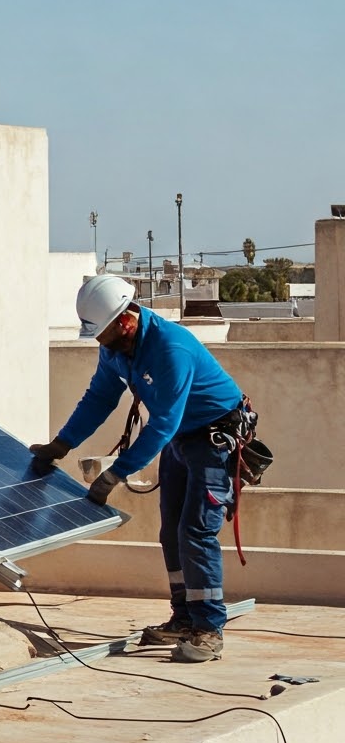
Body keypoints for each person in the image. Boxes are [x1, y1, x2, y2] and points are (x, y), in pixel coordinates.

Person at [30, 273, 248, 663]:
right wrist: (61, 444)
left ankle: (208, 629)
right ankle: (183, 618)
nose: (100, 343)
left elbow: (162, 422)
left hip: (213, 441)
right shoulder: (116, 348)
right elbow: (100, 397)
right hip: (181, 441)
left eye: (103, 334)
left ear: (126, 322)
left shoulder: (171, 348)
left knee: (196, 532)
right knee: (171, 533)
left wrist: (117, 473)